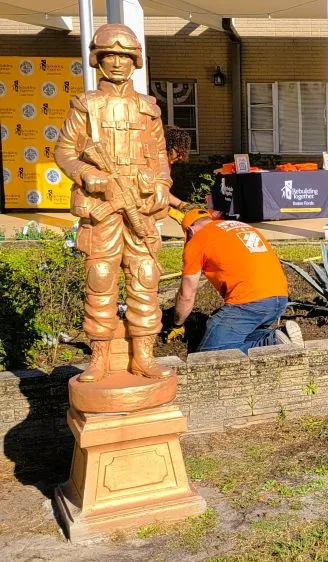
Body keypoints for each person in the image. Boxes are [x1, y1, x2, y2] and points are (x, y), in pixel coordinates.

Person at [53, 23, 173, 382]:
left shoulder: (148, 108)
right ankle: (100, 358)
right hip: (101, 207)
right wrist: (86, 174)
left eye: (124, 56)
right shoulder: (85, 106)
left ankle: (144, 356)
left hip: (140, 204)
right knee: (101, 276)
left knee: (145, 275)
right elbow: (64, 151)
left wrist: (162, 184)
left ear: (135, 60)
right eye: (110, 55)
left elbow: (160, 155)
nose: (118, 63)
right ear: (98, 59)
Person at [167, 208, 303, 353]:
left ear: (190, 231)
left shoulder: (197, 240)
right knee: (244, 336)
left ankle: (271, 342)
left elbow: (186, 295)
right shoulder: (242, 226)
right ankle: (281, 335)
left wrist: (177, 324)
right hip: (279, 299)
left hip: (249, 303)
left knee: (211, 355)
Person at [164, 126, 192, 210]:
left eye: (183, 153)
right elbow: (159, 191)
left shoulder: (167, 164)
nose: (180, 157)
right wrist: (181, 204)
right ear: (169, 147)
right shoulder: (157, 164)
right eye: (179, 153)